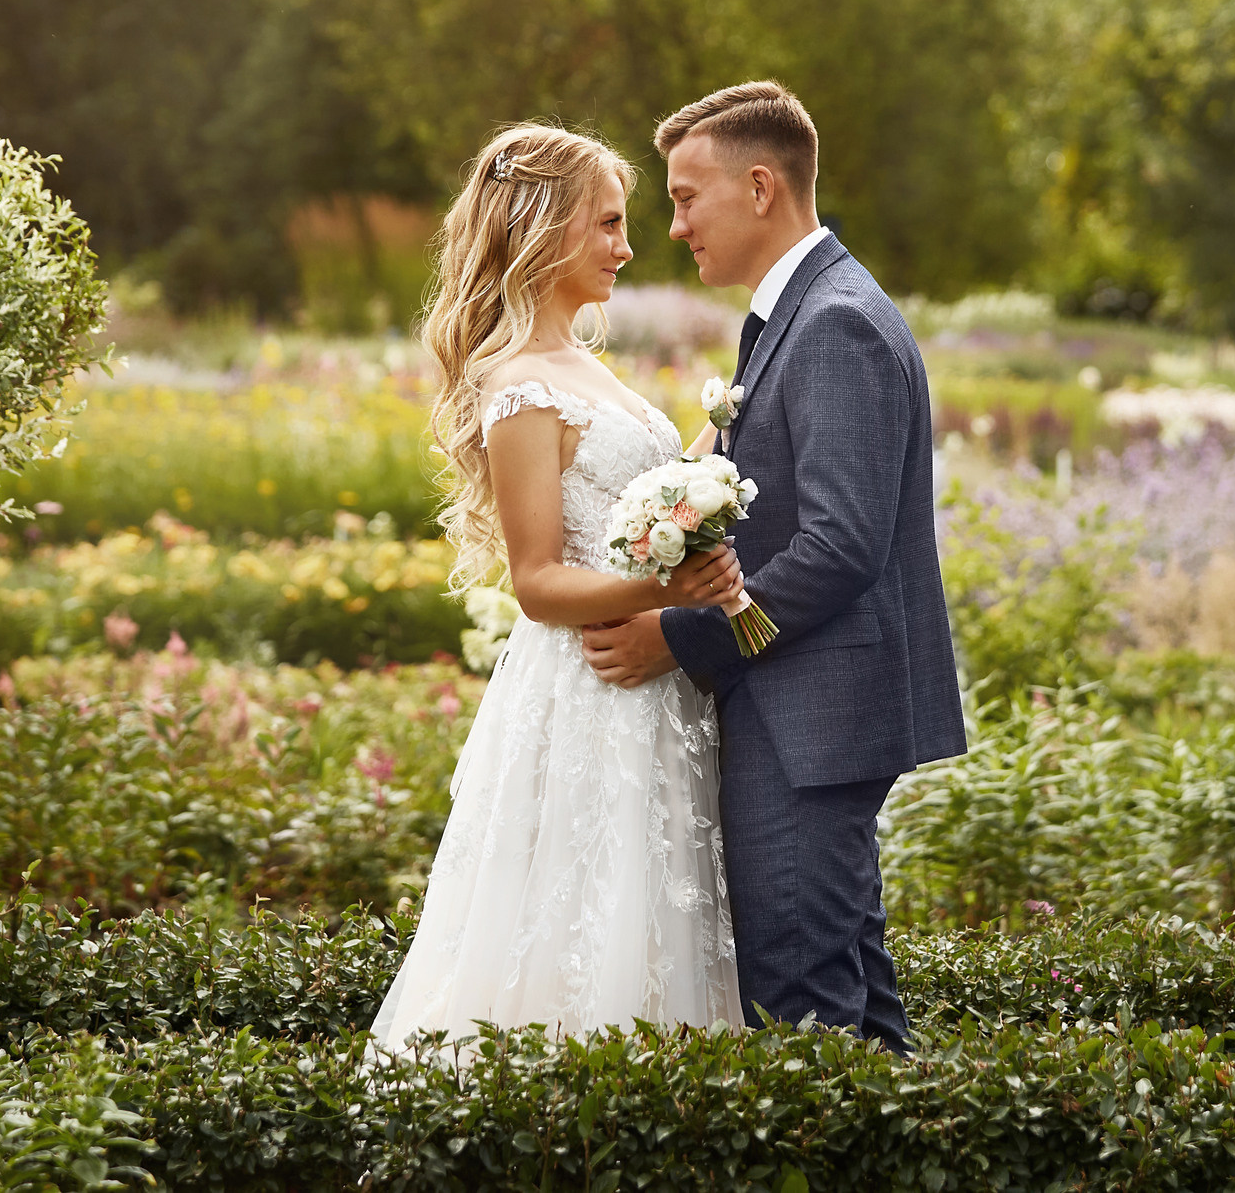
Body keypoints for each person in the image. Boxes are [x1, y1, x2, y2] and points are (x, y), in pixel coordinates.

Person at [581, 81, 966, 1052]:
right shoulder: (804, 311)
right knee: (855, 1011)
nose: (673, 227)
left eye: (684, 196)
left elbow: (839, 548)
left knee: (803, 1014)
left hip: (813, 723)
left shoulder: (833, 322)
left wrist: (678, 637)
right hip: (804, 713)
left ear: (759, 187)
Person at [367, 123, 748, 1052]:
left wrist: (717, 462)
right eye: (609, 224)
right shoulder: (521, 389)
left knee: (658, 906)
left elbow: (626, 505)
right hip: (588, 689)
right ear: (543, 229)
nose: (627, 245)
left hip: (654, 688)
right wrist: (674, 592)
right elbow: (537, 581)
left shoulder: (586, 367)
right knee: (587, 917)